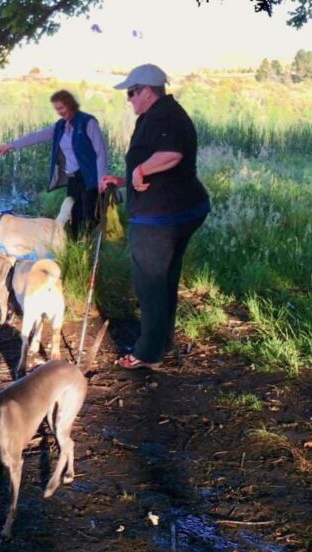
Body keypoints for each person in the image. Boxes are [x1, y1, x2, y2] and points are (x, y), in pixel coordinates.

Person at [100, 63, 211, 369]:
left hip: (162, 217)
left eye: (132, 92)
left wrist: (140, 170)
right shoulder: (159, 114)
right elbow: (155, 159)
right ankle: (163, 343)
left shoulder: (165, 116)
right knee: (164, 281)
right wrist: (123, 179)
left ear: (148, 91)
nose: (129, 98)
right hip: (179, 211)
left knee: (149, 284)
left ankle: (148, 353)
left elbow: (171, 155)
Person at [0, 90, 108, 238]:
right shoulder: (60, 126)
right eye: (57, 109)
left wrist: (102, 179)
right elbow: (36, 136)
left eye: (62, 108)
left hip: (90, 179)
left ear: (71, 104)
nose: (60, 112)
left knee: (89, 218)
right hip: (73, 179)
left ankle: (89, 252)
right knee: (73, 217)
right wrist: (11, 145)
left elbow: (101, 152)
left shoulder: (88, 122)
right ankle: (73, 252)